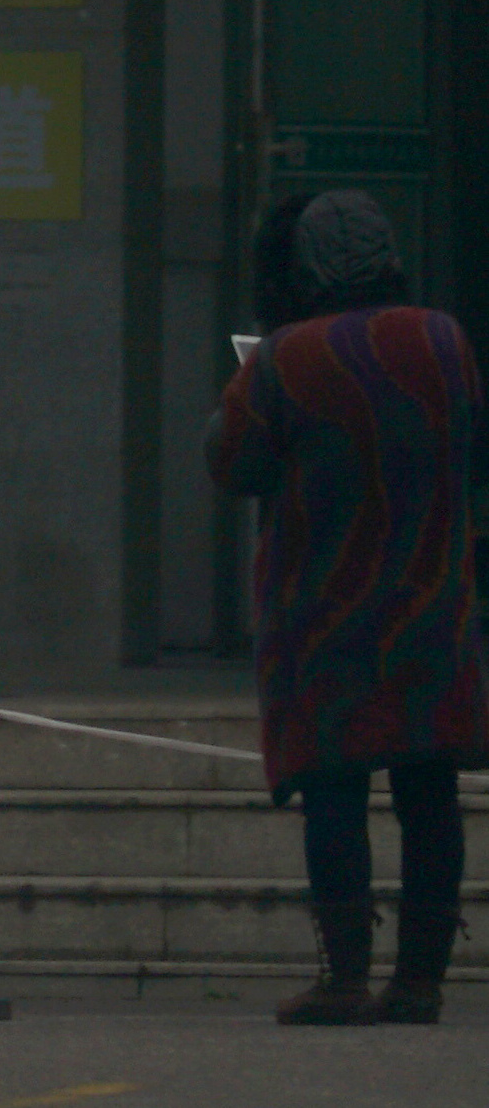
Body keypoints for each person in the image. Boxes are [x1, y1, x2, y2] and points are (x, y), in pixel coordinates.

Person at [209, 190, 489, 1026]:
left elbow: (234, 464)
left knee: (334, 791)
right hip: (432, 604)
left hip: (323, 614)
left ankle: (343, 976)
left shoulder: (287, 357)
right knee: (428, 794)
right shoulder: (444, 338)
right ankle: (421, 980)